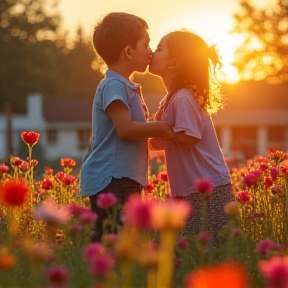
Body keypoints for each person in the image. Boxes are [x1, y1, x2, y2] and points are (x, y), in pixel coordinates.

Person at [80, 12, 176, 242]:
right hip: (111, 178)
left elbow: (136, 128)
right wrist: (161, 127)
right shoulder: (113, 85)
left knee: (123, 238)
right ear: (129, 52)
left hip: (123, 177)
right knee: (114, 239)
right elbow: (125, 129)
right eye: (146, 44)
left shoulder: (126, 86)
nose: (151, 51)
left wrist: (157, 122)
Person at [148, 30, 234, 243]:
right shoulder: (170, 99)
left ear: (173, 64)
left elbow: (190, 138)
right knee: (179, 250)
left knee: (205, 251)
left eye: (159, 49)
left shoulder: (183, 98)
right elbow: (156, 142)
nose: (151, 52)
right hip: (188, 191)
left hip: (207, 192)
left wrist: (163, 133)